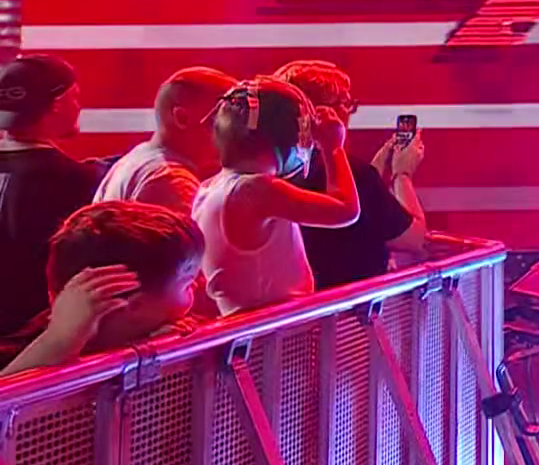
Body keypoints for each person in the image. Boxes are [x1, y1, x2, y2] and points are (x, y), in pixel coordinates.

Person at [193, 76, 358, 315]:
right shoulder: (256, 190)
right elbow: (345, 209)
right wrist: (334, 148)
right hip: (276, 329)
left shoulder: (208, 189)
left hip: (245, 326)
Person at [272, 61, 427, 290]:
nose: (351, 112)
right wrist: (402, 175)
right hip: (354, 308)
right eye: (346, 104)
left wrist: (374, 171)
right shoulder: (357, 175)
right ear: (324, 113)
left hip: (306, 302)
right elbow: (414, 238)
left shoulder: (276, 167)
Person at [0, 202, 205, 375]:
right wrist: (58, 341)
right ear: (134, 306)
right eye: (187, 284)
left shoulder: (179, 334)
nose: (197, 287)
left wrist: (164, 356)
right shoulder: (16, 354)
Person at [0, 55, 99, 338]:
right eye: (75, 97)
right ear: (57, 104)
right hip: (32, 342)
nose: (79, 107)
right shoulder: (76, 181)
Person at [95, 66, 236, 212]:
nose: (232, 129)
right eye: (223, 118)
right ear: (182, 118)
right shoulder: (171, 182)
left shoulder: (133, 160)